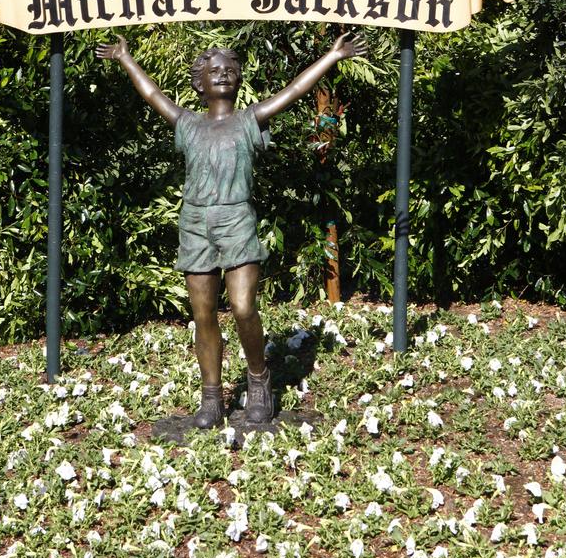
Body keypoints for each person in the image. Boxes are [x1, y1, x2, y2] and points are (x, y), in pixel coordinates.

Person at [96, 31, 366, 428]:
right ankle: (211, 397)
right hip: (195, 223)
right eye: (213, 71)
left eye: (229, 70)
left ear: (239, 80)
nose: (222, 75)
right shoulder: (187, 124)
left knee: (242, 308)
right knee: (203, 314)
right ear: (199, 84)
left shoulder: (248, 120)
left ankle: (259, 381)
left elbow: (293, 90)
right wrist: (124, 57)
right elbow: (153, 96)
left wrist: (332, 55)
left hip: (236, 219)